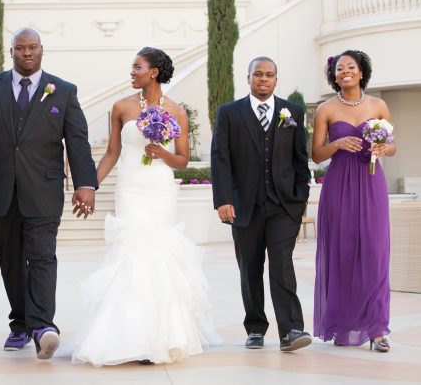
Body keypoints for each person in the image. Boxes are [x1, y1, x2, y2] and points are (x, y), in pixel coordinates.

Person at [71, 47, 219, 366]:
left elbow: (181, 161)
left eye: (137, 67)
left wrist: (161, 152)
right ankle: (129, 336)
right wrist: (89, 186)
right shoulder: (121, 107)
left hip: (159, 189)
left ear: (153, 72)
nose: (131, 72)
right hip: (131, 188)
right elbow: (111, 153)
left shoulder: (177, 111)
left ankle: (161, 337)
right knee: (131, 253)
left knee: (158, 254)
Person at [0, 27, 98, 360]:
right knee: (10, 262)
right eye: (20, 48)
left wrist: (85, 183)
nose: (26, 53)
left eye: (32, 47)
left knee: (41, 257)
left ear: (41, 50)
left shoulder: (63, 91)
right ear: (11, 52)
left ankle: (42, 328)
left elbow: (77, 140)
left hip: (44, 190)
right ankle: (20, 322)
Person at [211, 56, 312, 352]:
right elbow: (220, 157)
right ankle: (255, 327)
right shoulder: (229, 113)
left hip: (283, 205)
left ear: (276, 80)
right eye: (258, 74)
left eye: (269, 75)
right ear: (249, 78)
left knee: (282, 266)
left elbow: (299, 158)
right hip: (244, 205)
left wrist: (299, 195)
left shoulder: (291, 112)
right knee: (250, 268)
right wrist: (223, 200)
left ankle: (292, 330)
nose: (264, 79)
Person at [311, 50, 395, 352]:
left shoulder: (379, 105)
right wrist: (336, 143)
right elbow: (316, 154)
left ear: (361, 73)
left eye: (351, 67)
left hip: (371, 182)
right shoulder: (325, 109)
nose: (345, 71)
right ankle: (344, 324)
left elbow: (393, 144)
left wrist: (385, 148)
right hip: (339, 186)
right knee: (343, 253)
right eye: (339, 68)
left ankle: (376, 329)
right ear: (334, 76)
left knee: (374, 252)